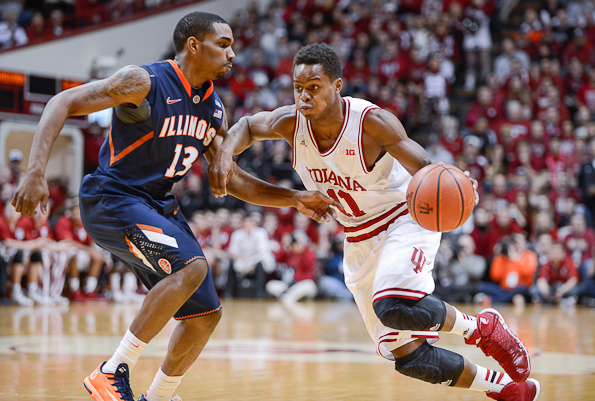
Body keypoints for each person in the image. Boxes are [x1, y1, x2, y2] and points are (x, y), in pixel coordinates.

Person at [11, 12, 338, 401]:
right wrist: (34, 172)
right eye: (224, 44)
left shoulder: (214, 109)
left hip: (157, 205)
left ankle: (160, 395)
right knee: (193, 266)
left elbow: (230, 180)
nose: (233, 54)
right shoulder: (143, 81)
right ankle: (112, 370)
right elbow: (63, 100)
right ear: (194, 45)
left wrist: (295, 198)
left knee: (205, 314)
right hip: (112, 196)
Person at [209, 43, 539, 400]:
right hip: (358, 237)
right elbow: (245, 125)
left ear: (336, 86)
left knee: (392, 304)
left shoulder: (371, 123)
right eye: (298, 87)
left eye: (314, 87)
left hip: (403, 219)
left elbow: (427, 171)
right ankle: (505, 390)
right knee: (411, 357)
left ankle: (481, 328)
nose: (304, 96)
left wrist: (459, 182)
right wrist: (225, 153)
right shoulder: (291, 123)